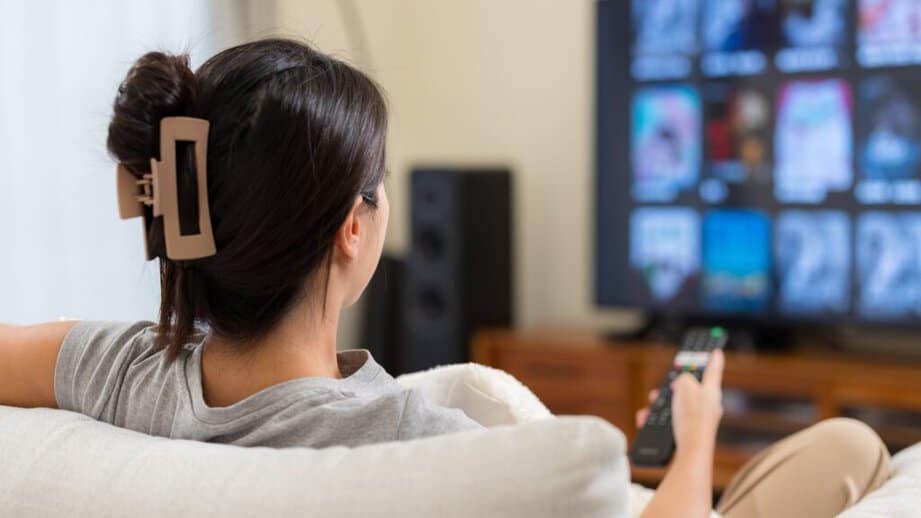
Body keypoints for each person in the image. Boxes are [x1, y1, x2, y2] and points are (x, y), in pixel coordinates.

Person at [0, 39, 892, 517]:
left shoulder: (119, 371)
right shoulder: (421, 441)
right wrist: (694, 436)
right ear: (354, 228)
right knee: (849, 451)